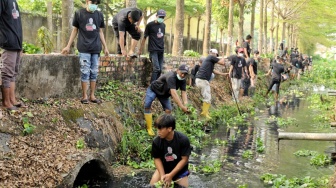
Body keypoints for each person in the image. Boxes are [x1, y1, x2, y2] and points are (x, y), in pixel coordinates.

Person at [61, 0, 109, 104]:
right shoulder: (79, 13)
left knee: (94, 72)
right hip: (84, 48)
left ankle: (92, 96)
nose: (94, 5)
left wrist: (105, 47)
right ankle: (84, 96)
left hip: (96, 48)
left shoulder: (99, 15)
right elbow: (75, 30)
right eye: (93, 2)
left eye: (96, 3)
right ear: (87, 1)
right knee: (85, 71)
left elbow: (100, 32)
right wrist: (68, 46)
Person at [144, 64, 190, 136]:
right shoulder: (171, 76)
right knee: (147, 105)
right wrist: (181, 106)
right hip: (154, 89)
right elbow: (174, 93)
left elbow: (183, 92)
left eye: (185, 74)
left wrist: (186, 105)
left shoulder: (183, 80)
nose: (183, 75)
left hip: (164, 94)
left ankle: (160, 125)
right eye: (182, 73)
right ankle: (149, 128)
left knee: (168, 110)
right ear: (177, 71)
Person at [0, 0, 28, 112]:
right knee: (7, 73)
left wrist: (20, 45)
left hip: (16, 43)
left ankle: (12, 99)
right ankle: (6, 102)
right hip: (8, 43)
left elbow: (16, 25)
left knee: (13, 73)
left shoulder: (14, 2)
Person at [150, 114, 191, 188]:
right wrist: (162, 175)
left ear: (169, 129)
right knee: (152, 185)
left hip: (180, 171)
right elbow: (157, 159)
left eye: (160, 129)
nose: (158, 132)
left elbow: (184, 160)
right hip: (164, 168)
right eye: (157, 129)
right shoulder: (156, 141)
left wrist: (171, 175)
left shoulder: (183, 140)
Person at [195, 49, 228, 119]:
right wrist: (223, 55)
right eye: (216, 55)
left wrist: (223, 74)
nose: (216, 57)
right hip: (202, 80)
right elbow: (222, 62)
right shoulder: (211, 57)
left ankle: (205, 112)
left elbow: (213, 71)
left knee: (206, 97)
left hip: (200, 80)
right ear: (214, 53)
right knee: (207, 97)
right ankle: (204, 114)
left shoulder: (209, 61)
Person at [139, 9, 166, 83]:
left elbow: (162, 37)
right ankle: (152, 86)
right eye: (160, 17)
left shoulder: (163, 25)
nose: (161, 18)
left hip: (161, 50)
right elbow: (144, 38)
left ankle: (156, 84)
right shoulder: (150, 25)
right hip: (153, 50)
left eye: (163, 17)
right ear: (156, 16)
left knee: (160, 69)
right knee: (156, 68)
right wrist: (140, 49)